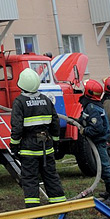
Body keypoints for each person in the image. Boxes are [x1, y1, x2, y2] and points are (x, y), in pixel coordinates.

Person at [10, 68, 67, 207]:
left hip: (29, 149)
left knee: (30, 181)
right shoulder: (46, 100)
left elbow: (17, 127)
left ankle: (34, 216)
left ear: (21, 84)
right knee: (52, 179)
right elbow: (55, 123)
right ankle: (62, 212)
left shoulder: (20, 102)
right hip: (46, 147)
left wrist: (14, 146)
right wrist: (55, 141)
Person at [80, 79, 110, 204]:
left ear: (88, 91)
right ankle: (109, 191)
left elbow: (97, 128)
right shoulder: (94, 105)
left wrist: (85, 131)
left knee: (105, 167)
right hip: (98, 141)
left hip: (99, 141)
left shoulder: (92, 107)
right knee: (101, 167)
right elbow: (87, 119)